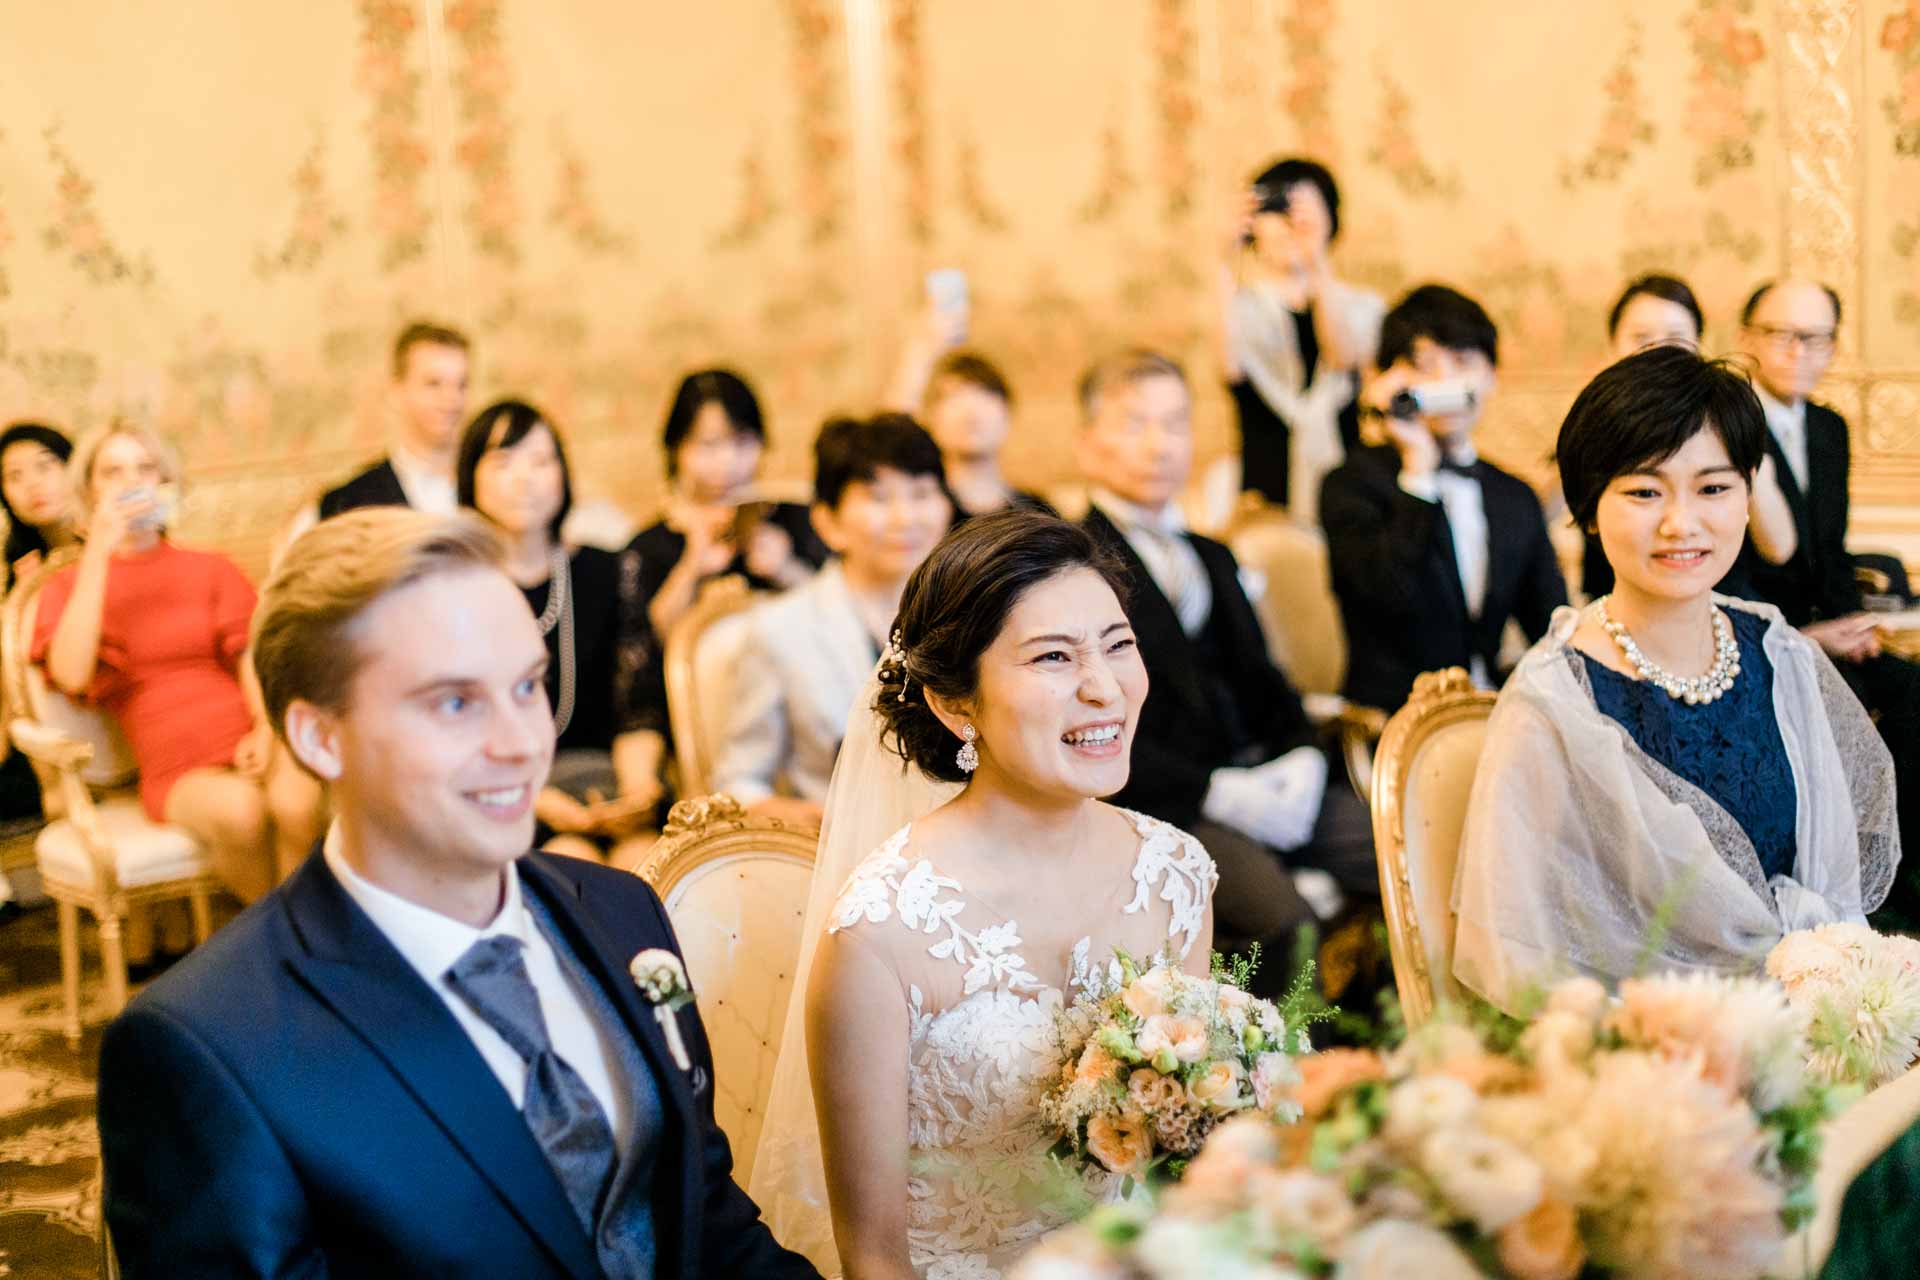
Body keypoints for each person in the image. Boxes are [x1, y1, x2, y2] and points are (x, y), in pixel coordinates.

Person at [95, 508, 820, 1280]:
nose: (520, 744)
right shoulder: (209, 1048)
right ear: (318, 738)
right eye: (454, 702)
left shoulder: (619, 912)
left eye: (527, 685)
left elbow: (707, 1220)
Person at [755, 509, 1217, 1278]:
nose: (1104, 689)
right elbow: (873, 1258)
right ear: (955, 703)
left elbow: (1181, 1171)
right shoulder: (882, 931)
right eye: (1053, 659)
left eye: (1118, 646)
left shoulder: (1175, 874)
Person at [1452, 346, 1899, 1011]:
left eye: (1713, 488)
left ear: (1748, 497)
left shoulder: (1777, 651)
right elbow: (1525, 952)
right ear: (1589, 508)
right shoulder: (1555, 699)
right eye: (1643, 491)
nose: (1681, 522)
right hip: (1649, 1058)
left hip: (1807, 1025)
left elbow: (1830, 882)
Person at [1074, 348, 1376, 972]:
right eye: (1136, 425)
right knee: (1283, 922)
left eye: (1176, 423)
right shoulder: (1073, 564)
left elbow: (1263, 677)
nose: (1160, 445)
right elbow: (1089, 716)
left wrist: (1302, 758)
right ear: (1088, 444)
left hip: (1265, 772)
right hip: (1167, 802)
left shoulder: (1212, 554)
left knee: (1406, 856)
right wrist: (1214, 791)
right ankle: (1301, 1064)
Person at [33, 424, 324, 902]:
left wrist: (264, 730)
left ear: (166, 482)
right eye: (113, 471)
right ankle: (289, 946)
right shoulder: (69, 586)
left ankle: (301, 944)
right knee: (242, 812)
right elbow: (70, 672)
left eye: (145, 468)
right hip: (177, 765)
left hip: (247, 731)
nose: (132, 482)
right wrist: (99, 553)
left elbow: (254, 659)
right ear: (90, 491)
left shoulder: (211, 567)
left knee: (299, 802)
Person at [1733, 278, 1920, 922]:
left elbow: (1831, 550)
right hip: (1759, 638)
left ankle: (1899, 886)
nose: (1798, 351)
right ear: (1746, 338)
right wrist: (1806, 638)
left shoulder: (1829, 428)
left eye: (1815, 339)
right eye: (1782, 334)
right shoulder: (1729, 423)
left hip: (1826, 631)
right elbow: (1724, 567)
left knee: (1910, 692)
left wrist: (1851, 623)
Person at [1320, 284, 1568, 713]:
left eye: (1462, 362)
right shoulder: (1350, 485)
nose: (1446, 382)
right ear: (1389, 380)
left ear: (1490, 375)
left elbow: (1552, 630)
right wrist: (1417, 470)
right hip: (1390, 728)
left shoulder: (1513, 496)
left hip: (1493, 719)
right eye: (1425, 367)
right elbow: (1389, 596)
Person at [712, 415, 953, 827]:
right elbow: (738, 781)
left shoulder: (974, 617)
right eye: (879, 498)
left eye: (922, 493)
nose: (905, 517)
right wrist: (799, 817)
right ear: (828, 521)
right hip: (844, 855)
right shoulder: (781, 630)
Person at [457, 399, 663, 860]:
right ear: (470, 478)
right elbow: (456, 728)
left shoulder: (608, 570)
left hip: (608, 782)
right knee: (574, 862)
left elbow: (639, 707)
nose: (525, 477)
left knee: (648, 862)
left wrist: (637, 789)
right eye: (504, 462)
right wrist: (541, 801)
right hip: (502, 791)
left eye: (541, 460)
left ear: (563, 475)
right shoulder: (456, 589)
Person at [1577, 274, 1796, 600]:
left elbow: (1779, 548)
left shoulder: (1727, 429)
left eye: (1676, 337)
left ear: (1699, 346)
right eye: (1641, 337)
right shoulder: (1595, 426)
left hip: (1717, 608)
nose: (1658, 351)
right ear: (1613, 346)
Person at [1218, 157, 1384, 519]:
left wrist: (1317, 262)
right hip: (1263, 496)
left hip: (1349, 489)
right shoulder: (1240, 308)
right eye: (1277, 208)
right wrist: (1223, 256)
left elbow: (1342, 356)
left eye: (1304, 208)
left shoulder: (1361, 307)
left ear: (1331, 219)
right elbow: (1228, 366)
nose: (1289, 224)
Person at [271, 322, 472, 560]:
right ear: (396, 392)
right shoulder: (346, 503)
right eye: (433, 384)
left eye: (461, 385)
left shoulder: (490, 491)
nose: (451, 400)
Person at [884, 302, 1054, 519]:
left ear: (1007, 414)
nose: (971, 410)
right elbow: (891, 437)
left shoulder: (1036, 512)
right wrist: (920, 352)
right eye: (953, 397)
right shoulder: (924, 511)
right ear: (930, 419)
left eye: (985, 394)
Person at [0, 421, 81, 589]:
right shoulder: (20, 566)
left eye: (44, 466)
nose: (32, 483)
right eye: (15, 475)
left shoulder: (118, 542)